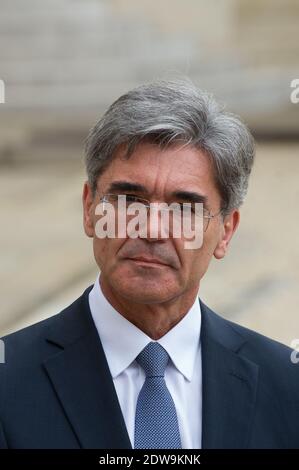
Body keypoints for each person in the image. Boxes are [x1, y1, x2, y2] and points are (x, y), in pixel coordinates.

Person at [0, 79, 298, 449]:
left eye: (184, 207)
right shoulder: (8, 380)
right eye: (129, 199)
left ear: (225, 232)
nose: (153, 229)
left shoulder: (287, 385)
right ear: (89, 208)